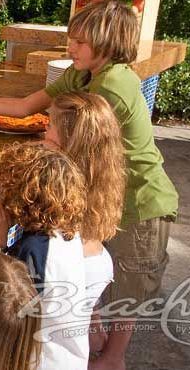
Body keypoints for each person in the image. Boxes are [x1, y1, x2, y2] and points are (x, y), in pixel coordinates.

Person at [0, 0, 178, 370]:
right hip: (100, 185)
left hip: (140, 200)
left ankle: (113, 358)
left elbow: (73, 147)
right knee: (87, 268)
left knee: (131, 286)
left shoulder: (113, 87)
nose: (70, 48)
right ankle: (90, 337)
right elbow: (29, 104)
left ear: (108, 42)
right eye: (71, 38)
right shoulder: (83, 74)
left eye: (80, 41)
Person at [0, 142, 91, 370]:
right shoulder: (67, 232)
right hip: (70, 358)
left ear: (25, 196)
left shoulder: (34, 249)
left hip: (39, 361)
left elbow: (6, 304)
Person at [43, 91, 127, 354]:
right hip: (98, 266)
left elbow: (14, 305)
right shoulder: (98, 175)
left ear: (65, 144)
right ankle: (95, 344)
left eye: (49, 125)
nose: (43, 130)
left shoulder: (57, 191)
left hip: (69, 280)